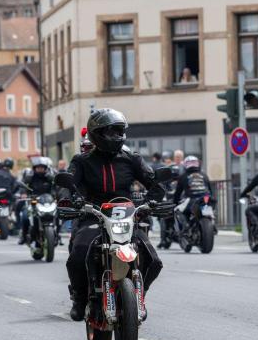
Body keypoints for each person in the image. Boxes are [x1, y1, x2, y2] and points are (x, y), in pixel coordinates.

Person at [57, 108, 169, 321]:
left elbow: (152, 180)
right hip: (93, 216)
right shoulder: (82, 161)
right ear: (96, 133)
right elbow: (69, 184)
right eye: (111, 132)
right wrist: (71, 199)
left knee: (153, 260)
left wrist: (153, 198)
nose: (117, 137)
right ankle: (80, 298)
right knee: (78, 256)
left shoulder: (131, 159)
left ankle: (138, 295)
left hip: (125, 218)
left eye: (119, 132)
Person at [20, 157, 55, 245]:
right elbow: (23, 185)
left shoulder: (50, 177)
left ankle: (57, 234)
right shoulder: (30, 177)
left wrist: (57, 195)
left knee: (59, 215)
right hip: (33, 201)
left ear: (45, 168)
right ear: (34, 168)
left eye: (42, 167)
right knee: (25, 217)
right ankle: (24, 236)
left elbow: (56, 186)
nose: (40, 169)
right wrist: (23, 193)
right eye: (38, 167)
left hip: (47, 202)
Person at [172, 156, 214, 230]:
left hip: (192, 199)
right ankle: (213, 227)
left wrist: (175, 202)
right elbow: (210, 190)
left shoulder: (183, 176)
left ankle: (186, 228)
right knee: (209, 212)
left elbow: (178, 193)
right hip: (206, 199)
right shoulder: (204, 175)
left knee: (178, 211)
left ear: (185, 165)